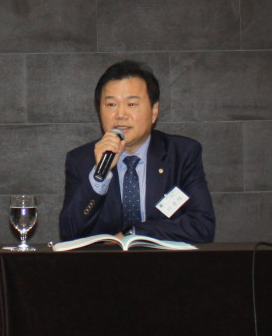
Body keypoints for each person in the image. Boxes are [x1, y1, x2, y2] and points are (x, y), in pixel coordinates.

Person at [58, 60, 216, 243]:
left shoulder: (182, 154)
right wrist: (99, 176)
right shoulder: (81, 160)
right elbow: (70, 232)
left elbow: (202, 226)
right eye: (111, 105)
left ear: (154, 111)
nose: (120, 115)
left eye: (131, 104)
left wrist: (134, 233)